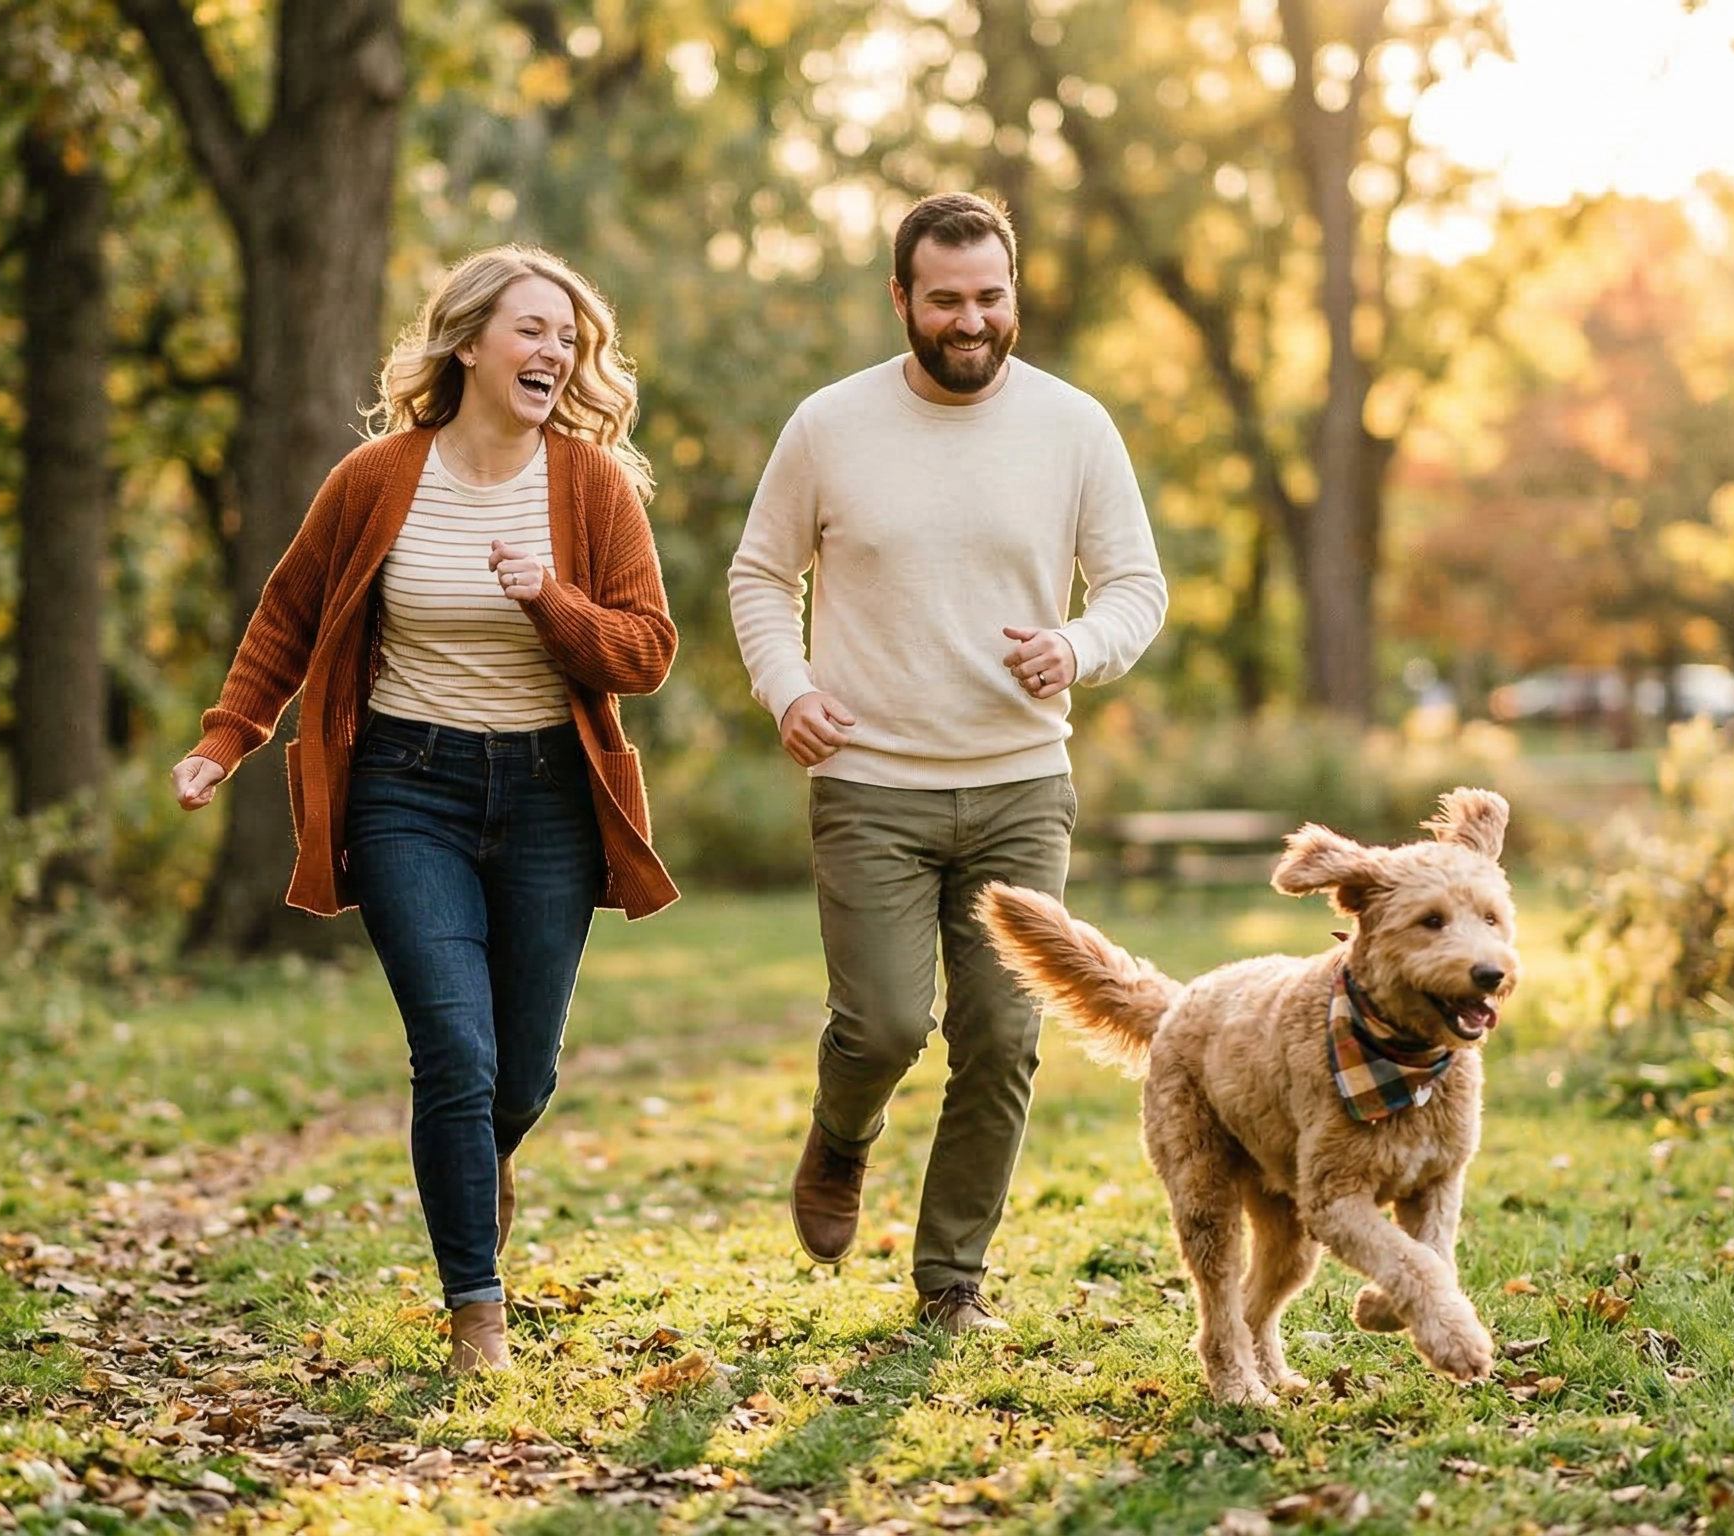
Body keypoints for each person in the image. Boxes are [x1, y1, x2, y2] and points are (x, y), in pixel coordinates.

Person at [172, 246, 677, 1374]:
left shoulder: (590, 486)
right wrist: (227, 736)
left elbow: (646, 650)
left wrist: (550, 599)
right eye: (532, 330)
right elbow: (288, 615)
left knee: (523, 1073)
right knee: (455, 1051)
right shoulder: (377, 477)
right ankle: (476, 1309)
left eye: (568, 338)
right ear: (466, 343)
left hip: (551, 796)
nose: (555, 352)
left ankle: (477, 1159)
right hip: (408, 791)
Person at [726, 193, 1168, 1334]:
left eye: (989, 297)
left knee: (1004, 1036)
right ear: (900, 300)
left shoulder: (1074, 426)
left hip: (1023, 782)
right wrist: (791, 688)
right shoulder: (829, 424)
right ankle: (841, 1136)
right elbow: (758, 577)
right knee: (880, 1025)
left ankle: (950, 1280)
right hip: (870, 783)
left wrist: (1075, 645)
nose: (970, 321)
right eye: (945, 300)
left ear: (1011, 292)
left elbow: (1136, 590)